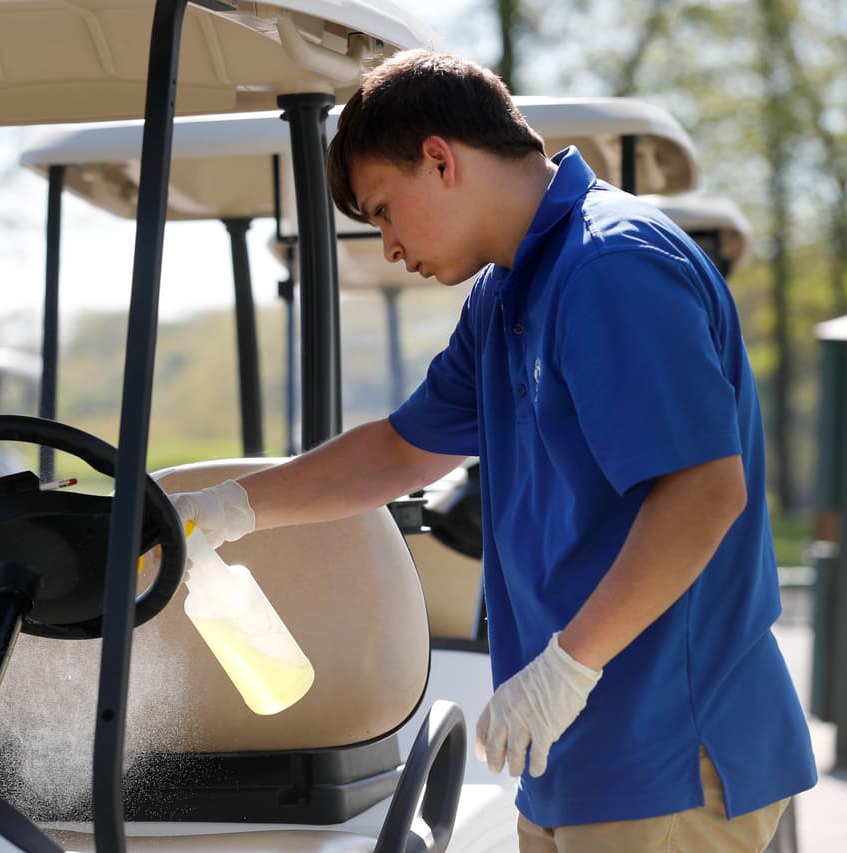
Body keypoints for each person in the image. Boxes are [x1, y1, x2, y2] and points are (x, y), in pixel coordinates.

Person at [168, 49, 815, 852]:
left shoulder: (610, 265)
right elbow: (402, 449)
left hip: (666, 749)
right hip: (574, 752)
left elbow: (705, 494)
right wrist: (222, 509)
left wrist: (565, 669)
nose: (389, 245)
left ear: (440, 159)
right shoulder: (507, 290)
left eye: (384, 210)